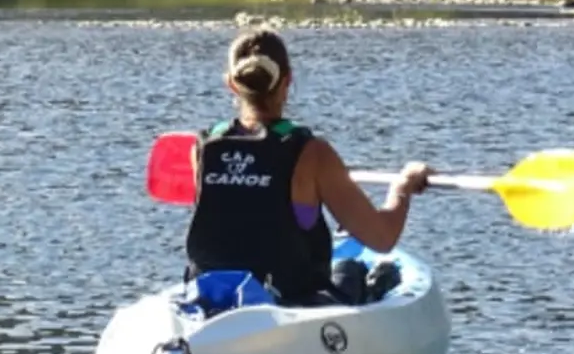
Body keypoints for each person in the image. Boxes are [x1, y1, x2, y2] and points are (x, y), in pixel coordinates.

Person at [185, 27, 432, 305]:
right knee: (353, 268)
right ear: (287, 81)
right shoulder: (312, 153)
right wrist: (403, 187)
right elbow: (382, 238)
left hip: (213, 300)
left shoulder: (204, 147)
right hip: (293, 304)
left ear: (231, 83)